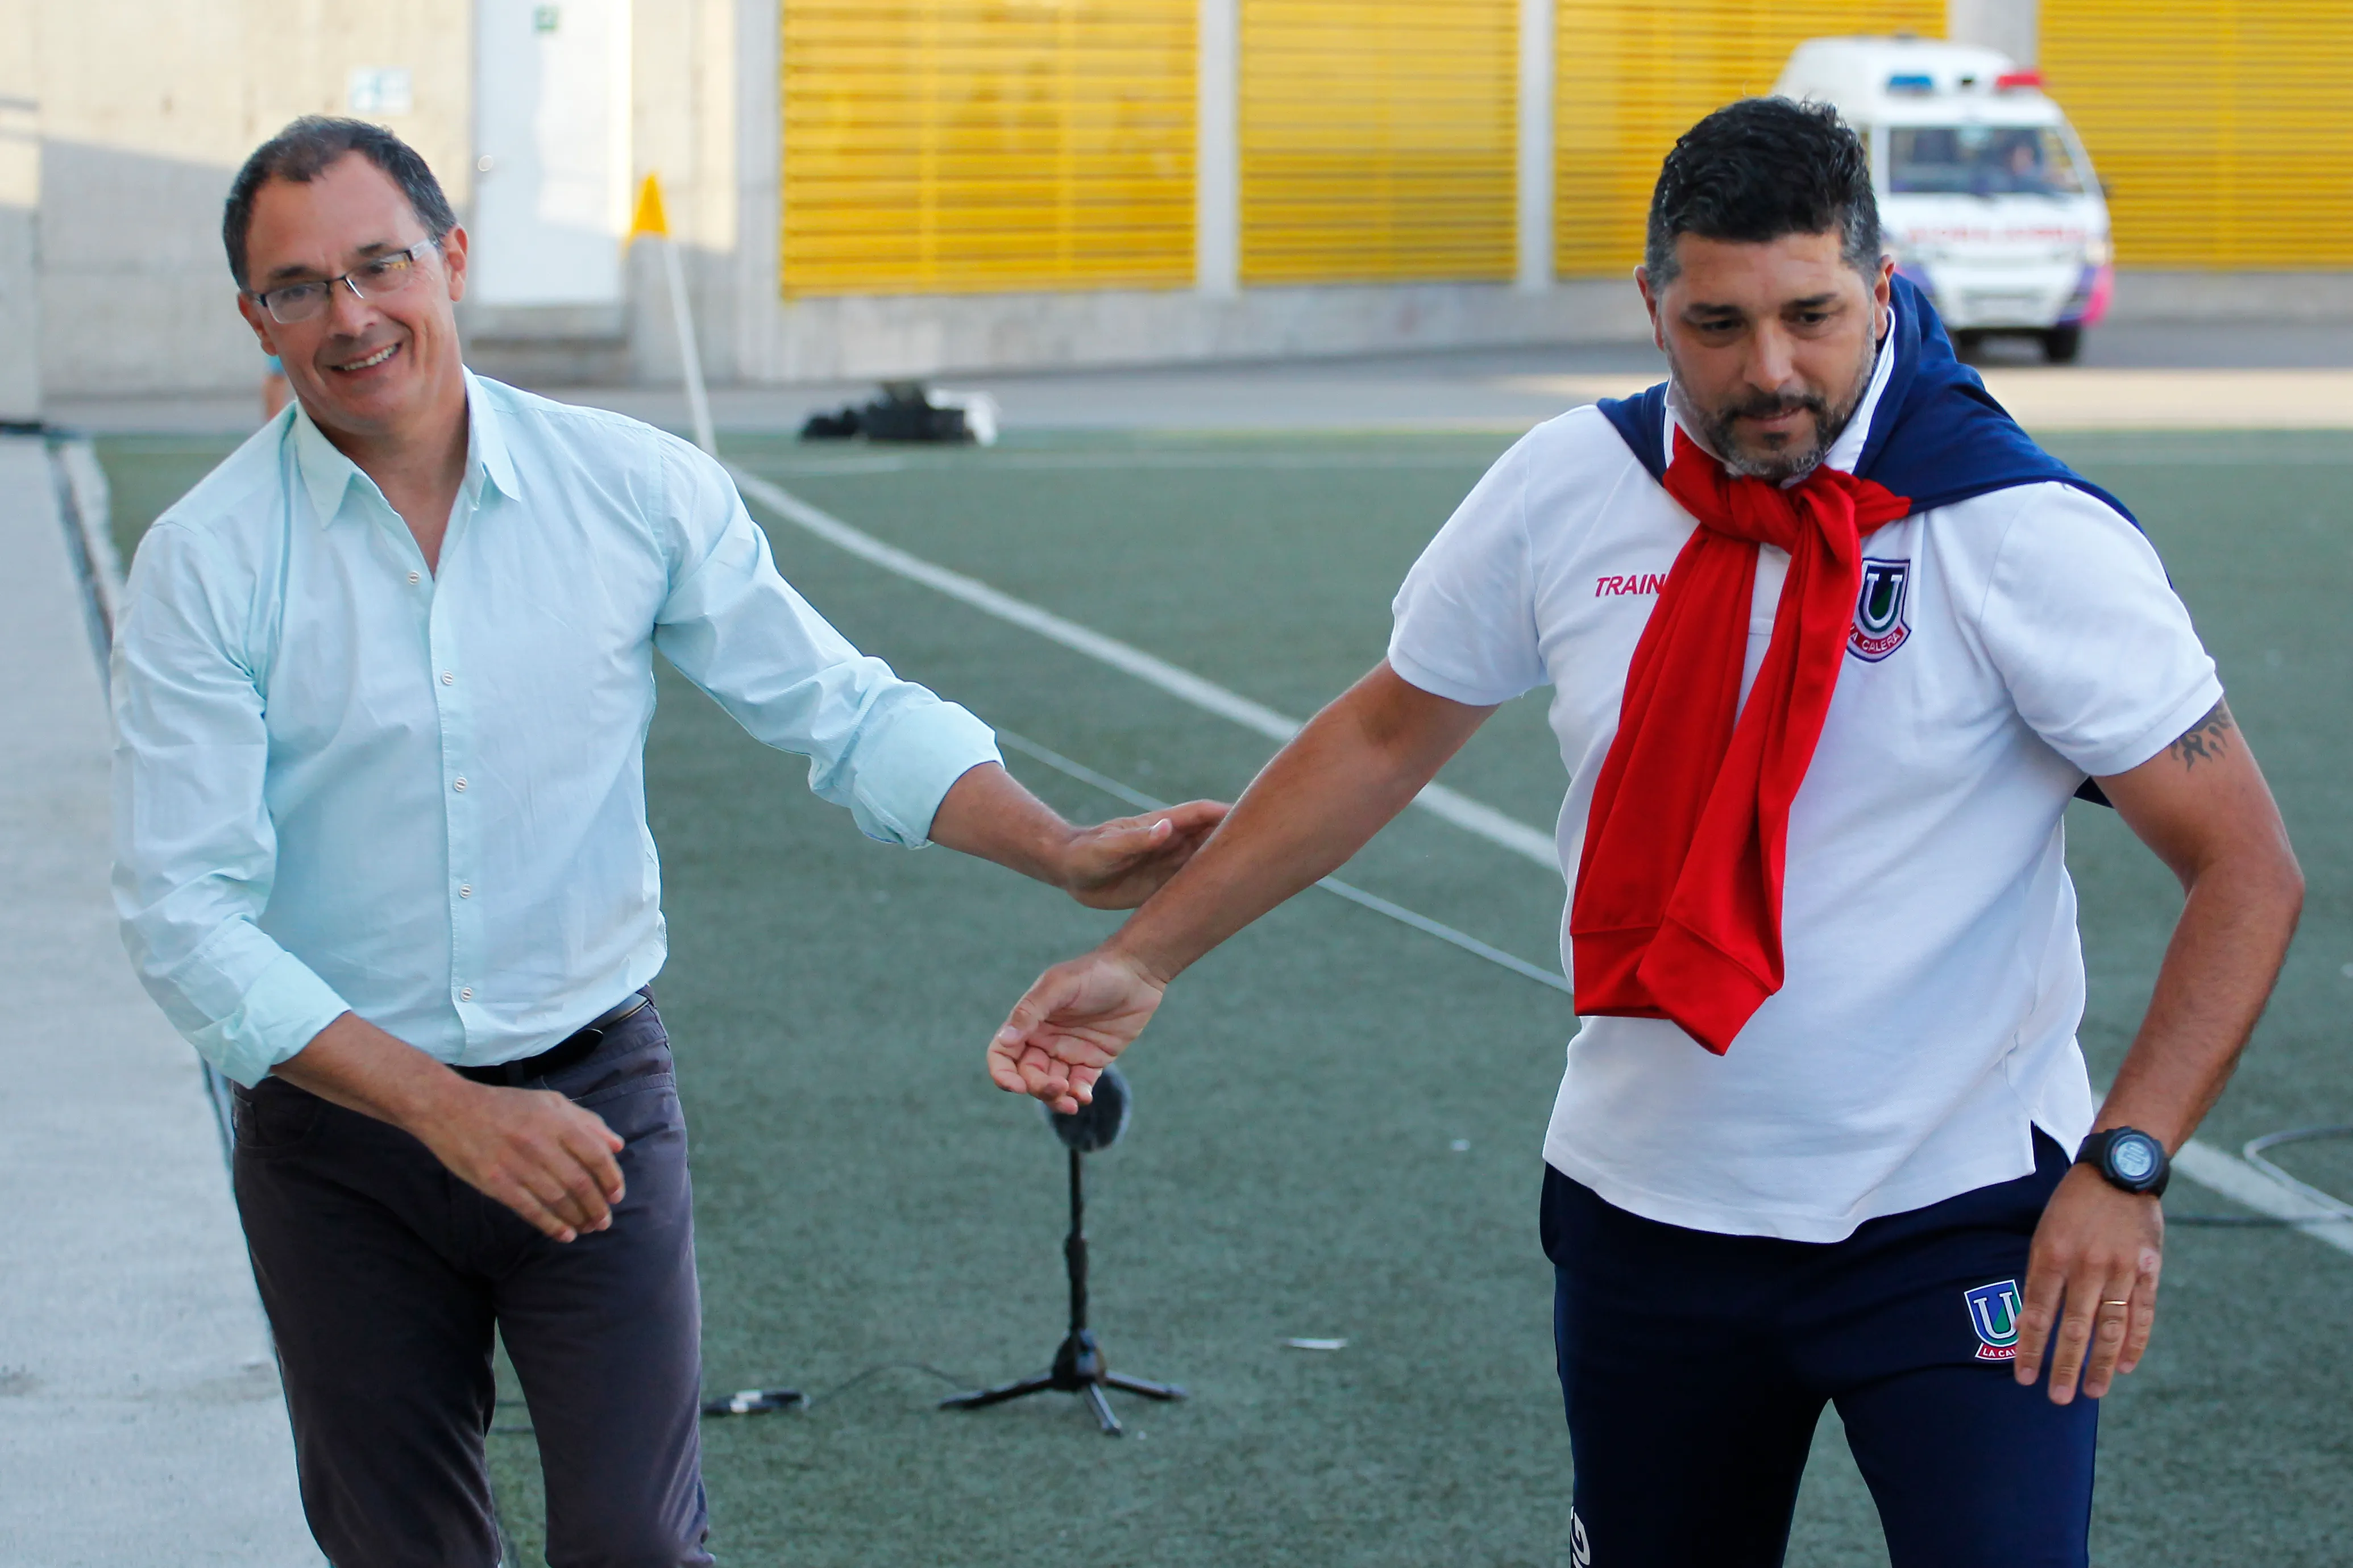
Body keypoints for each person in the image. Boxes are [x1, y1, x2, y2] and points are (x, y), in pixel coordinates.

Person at [986, 98, 2302, 1567]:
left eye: (1812, 314)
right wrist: (1148, 956)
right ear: (1653, 305)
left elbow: (2243, 864)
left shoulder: (2015, 529)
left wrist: (2124, 1164)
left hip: (1957, 1212)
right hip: (1648, 1210)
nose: (1770, 370)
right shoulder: (1573, 484)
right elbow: (1384, 729)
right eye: (1717, 323)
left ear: (1881, 286)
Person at [111, 117, 1225, 1568]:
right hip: (342, 1136)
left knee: (638, 1545)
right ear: (255, 316)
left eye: (381, 265)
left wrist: (1060, 849)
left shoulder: (630, 488)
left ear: (452, 258)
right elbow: (185, 917)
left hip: (592, 1095)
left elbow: (839, 707)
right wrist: (445, 1111)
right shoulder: (207, 563)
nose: (352, 316)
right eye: (299, 287)